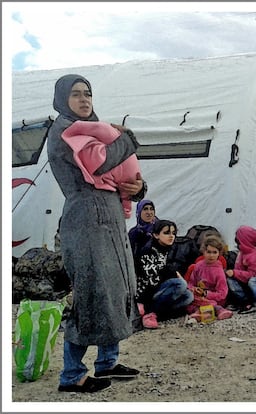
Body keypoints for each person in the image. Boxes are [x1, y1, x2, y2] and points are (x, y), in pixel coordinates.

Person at [47, 74, 145, 393]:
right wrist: (127, 138)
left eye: (87, 93)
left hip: (112, 219)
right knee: (91, 294)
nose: (84, 99)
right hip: (85, 220)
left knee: (116, 289)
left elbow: (121, 174)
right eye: (76, 94)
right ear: (63, 99)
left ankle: (107, 362)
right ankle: (71, 374)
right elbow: (99, 166)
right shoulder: (65, 131)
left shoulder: (96, 129)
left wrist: (140, 187)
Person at [61, 119, 142, 218]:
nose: (85, 103)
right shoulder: (62, 131)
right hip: (93, 211)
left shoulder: (104, 131)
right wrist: (128, 139)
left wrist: (139, 189)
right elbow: (100, 164)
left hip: (109, 211)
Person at [135, 219, 194, 329]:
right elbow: (151, 282)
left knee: (189, 296)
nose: (171, 236)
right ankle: (150, 312)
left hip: (158, 290)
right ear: (156, 235)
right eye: (166, 233)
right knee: (180, 284)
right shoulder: (148, 251)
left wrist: (173, 273)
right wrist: (173, 275)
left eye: (173, 233)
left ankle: (159, 314)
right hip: (146, 295)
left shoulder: (164, 249)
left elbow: (164, 269)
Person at [186, 235, 233, 321]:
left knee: (208, 302)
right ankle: (203, 312)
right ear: (203, 251)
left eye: (214, 252)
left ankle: (217, 310)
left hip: (214, 298)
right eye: (208, 252)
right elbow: (191, 282)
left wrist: (206, 294)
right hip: (199, 296)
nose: (211, 255)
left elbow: (222, 293)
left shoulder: (219, 271)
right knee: (188, 299)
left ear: (219, 253)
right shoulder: (198, 266)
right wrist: (193, 289)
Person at [225, 225, 256, 314]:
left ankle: (247, 303)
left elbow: (254, 276)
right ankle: (237, 302)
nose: (237, 242)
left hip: (252, 287)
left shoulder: (253, 256)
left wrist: (235, 273)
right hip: (243, 282)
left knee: (231, 281)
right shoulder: (243, 252)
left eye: (238, 240)